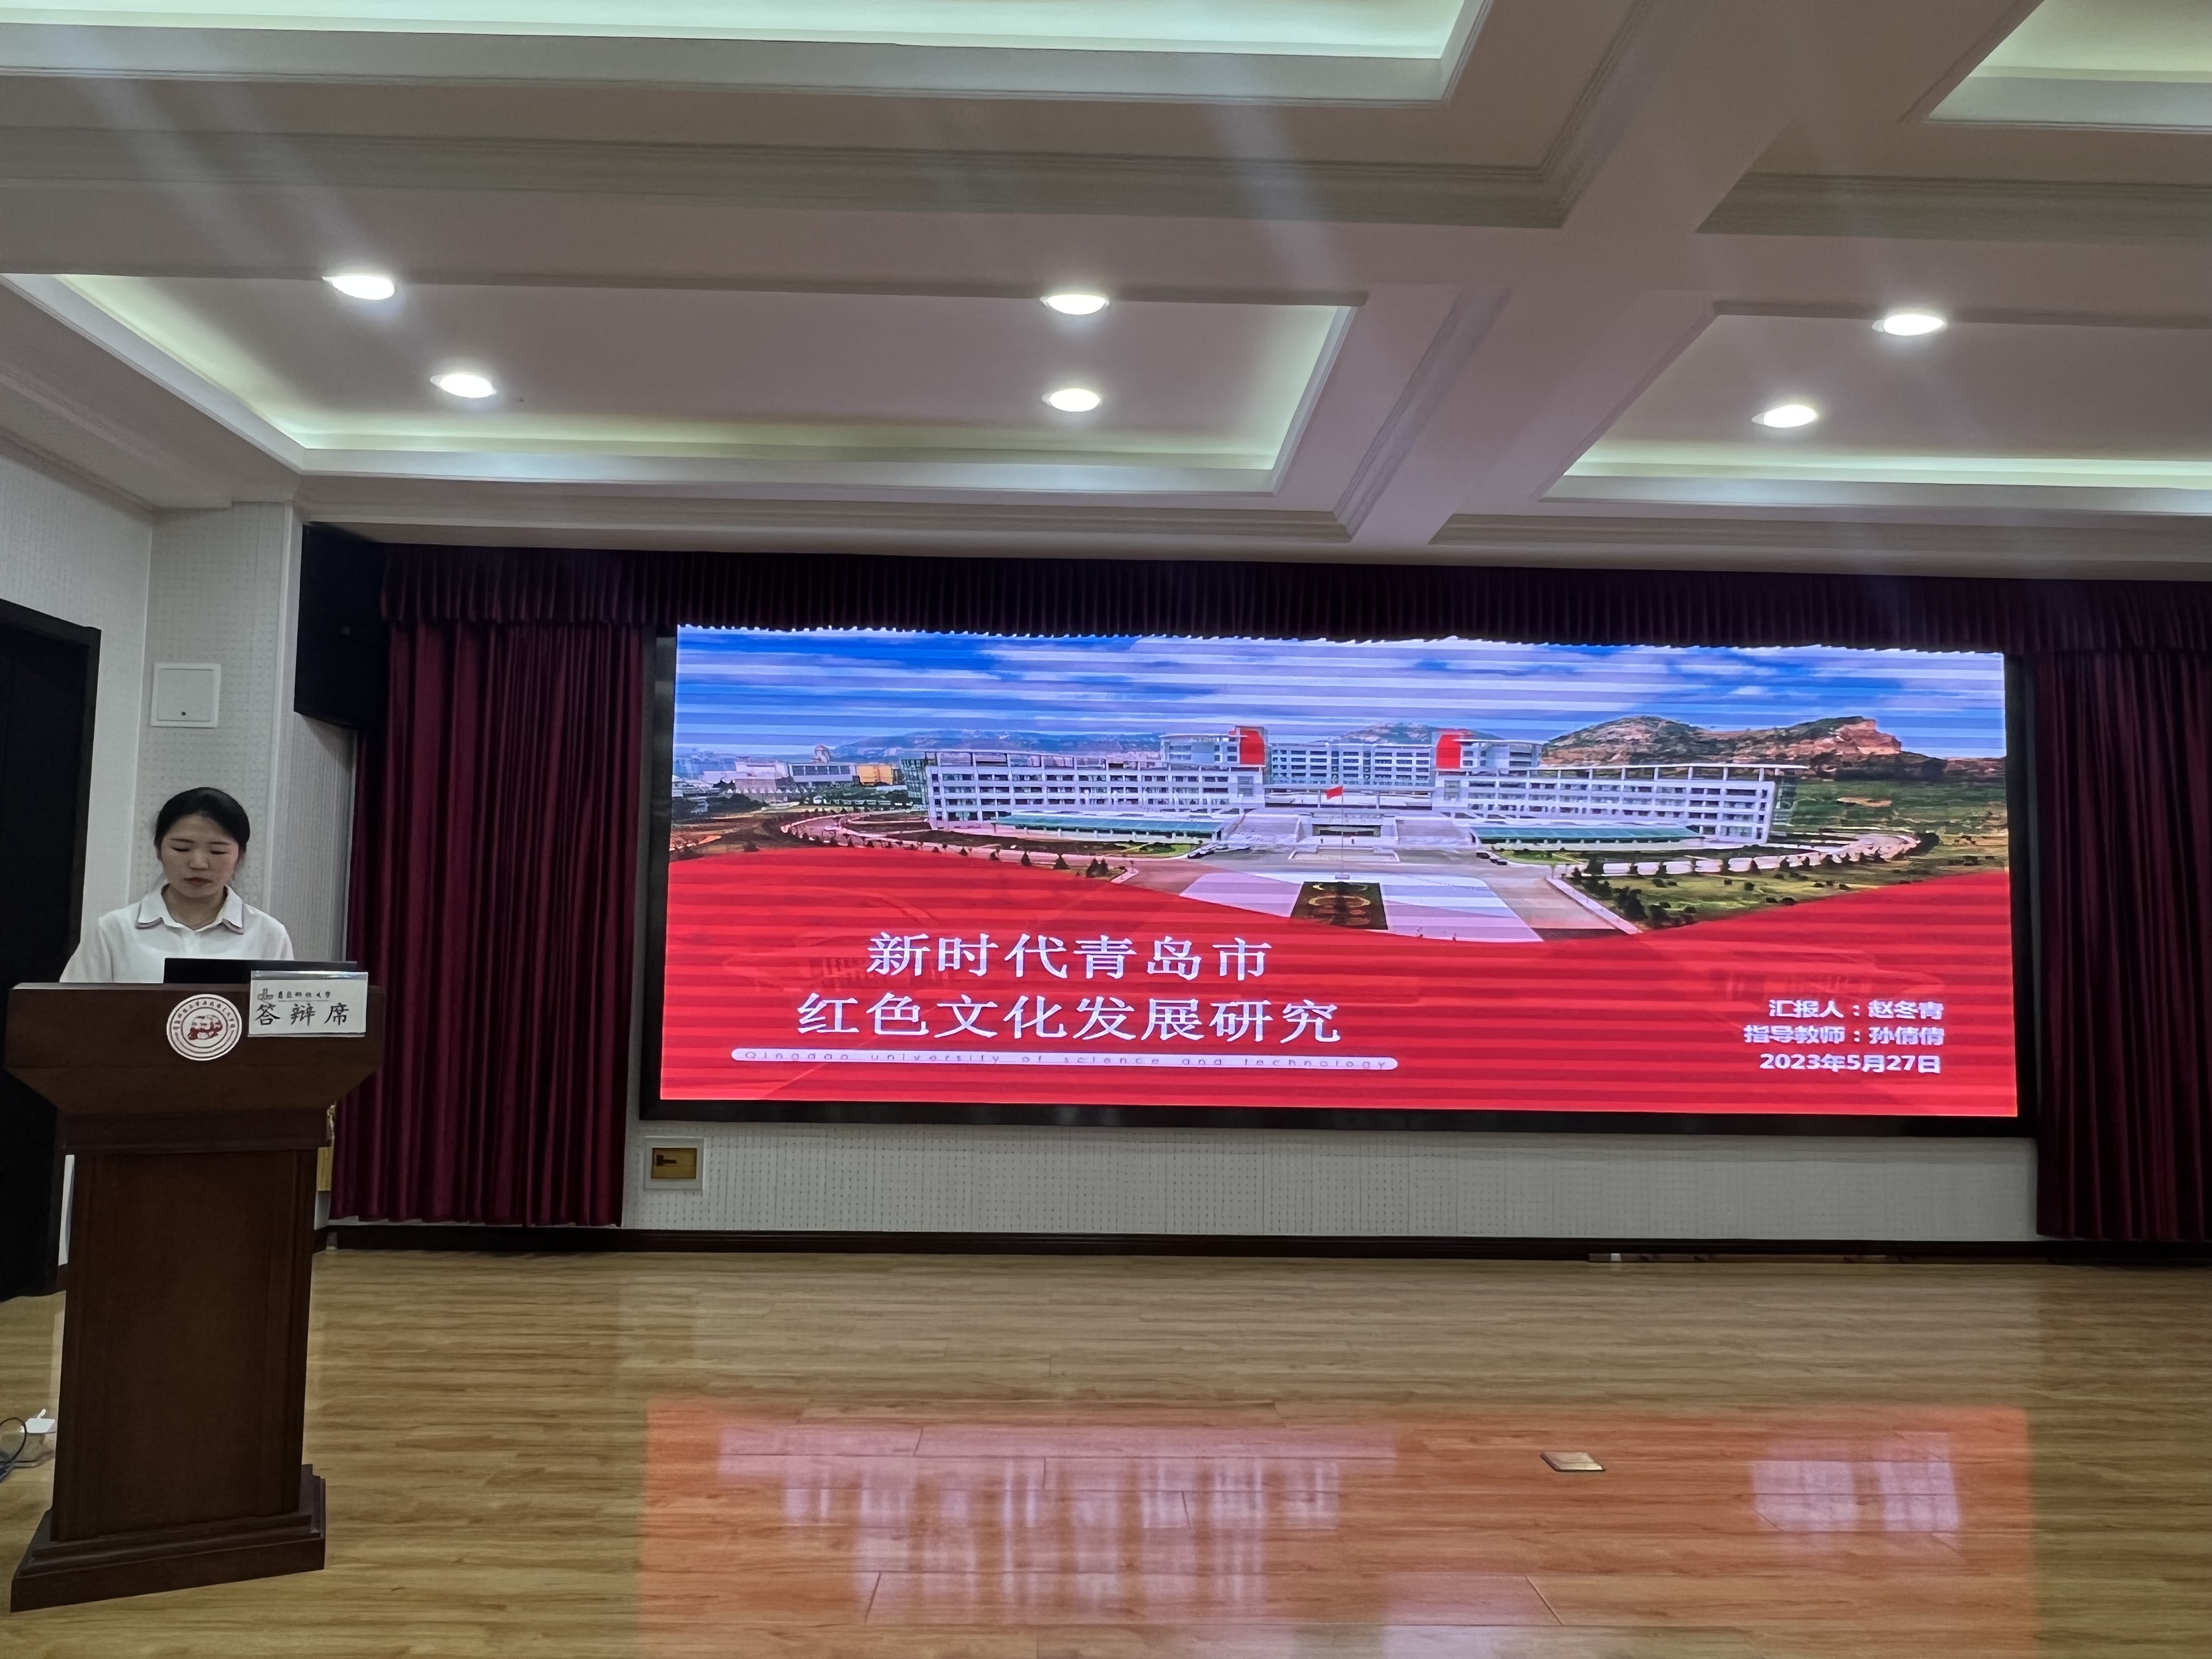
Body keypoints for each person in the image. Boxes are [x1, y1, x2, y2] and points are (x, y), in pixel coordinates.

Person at [61, 786, 294, 983]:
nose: (198, 863)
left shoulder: (268, 935)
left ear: (240, 856)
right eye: (181, 848)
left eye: (217, 851)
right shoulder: (114, 931)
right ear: (158, 850)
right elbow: (71, 1012)